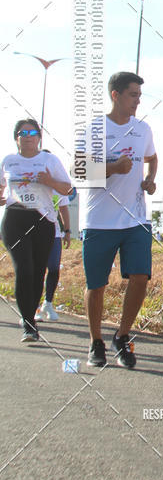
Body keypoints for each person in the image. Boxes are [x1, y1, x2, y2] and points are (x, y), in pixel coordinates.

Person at [79, 72, 157, 369]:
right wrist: (113, 167)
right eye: (133, 94)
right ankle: (95, 341)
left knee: (140, 278)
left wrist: (149, 180)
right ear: (116, 95)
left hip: (135, 218)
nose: (138, 100)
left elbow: (152, 158)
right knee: (96, 284)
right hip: (99, 220)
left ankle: (122, 336)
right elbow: (81, 171)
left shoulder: (143, 129)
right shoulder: (94, 128)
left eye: (139, 95)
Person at [0, 119, 72, 342]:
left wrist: (49, 180)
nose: (28, 136)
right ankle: (29, 325)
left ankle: (30, 315)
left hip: (42, 221)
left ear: (39, 138)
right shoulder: (8, 161)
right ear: (16, 138)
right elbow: (2, 188)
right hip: (15, 218)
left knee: (38, 272)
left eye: (32, 132)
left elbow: (68, 189)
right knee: (24, 269)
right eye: (23, 132)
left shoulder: (49, 160)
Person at [36, 192, 71, 322]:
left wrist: (67, 231)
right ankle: (35, 307)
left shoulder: (58, 184)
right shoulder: (36, 182)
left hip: (54, 232)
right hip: (35, 232)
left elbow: (63, 208)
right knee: (38, 270)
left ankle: (48, 303)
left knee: (54, 268)